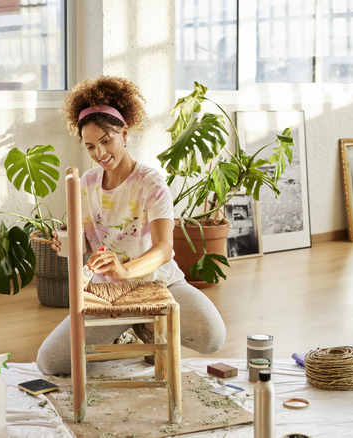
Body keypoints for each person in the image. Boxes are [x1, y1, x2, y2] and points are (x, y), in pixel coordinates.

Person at [36, 76, 226, 375]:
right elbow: (90, 240)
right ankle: (131, 328)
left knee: (212, 336)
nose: (100, 153)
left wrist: (126, 270)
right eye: (90, 147)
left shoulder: (150, 182)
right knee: (50, 362)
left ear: (124, 133)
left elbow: (164, 249)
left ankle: (145, 323)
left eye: (106, 140)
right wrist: (70, 245)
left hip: (159, 282)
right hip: (109, 292)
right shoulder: (87, 183)